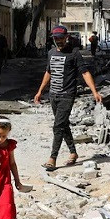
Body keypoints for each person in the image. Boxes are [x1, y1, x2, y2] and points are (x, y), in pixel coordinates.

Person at [34, 25, 102, 171]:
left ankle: (52, 158)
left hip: (67, 95)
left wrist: (94, 92)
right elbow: (48, 72)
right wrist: (40, 91)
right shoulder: (51, 53)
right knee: (63, 125)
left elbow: (85, 73)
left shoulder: (74, 53)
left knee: (58, 126)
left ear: (66, 37)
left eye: (60, 38)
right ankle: (73, 152)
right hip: (53, 94)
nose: (58, 40)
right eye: (56, 38)